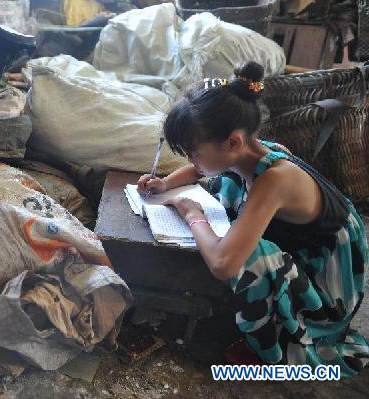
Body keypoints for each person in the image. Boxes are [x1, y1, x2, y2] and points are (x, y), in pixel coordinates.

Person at [137, 61, 369, 376]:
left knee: (254, 258)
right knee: (226, 178)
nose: (191, 161)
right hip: (306, 249)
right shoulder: (254, 153)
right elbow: (200, 169)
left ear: (233, 142)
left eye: (194, 151)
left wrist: (195, 216)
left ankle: (268, 349)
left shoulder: (275, 179)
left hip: (329, 287)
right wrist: (165, 184)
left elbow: (223, 265)